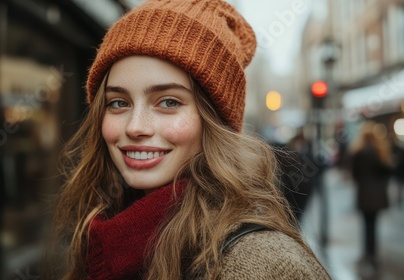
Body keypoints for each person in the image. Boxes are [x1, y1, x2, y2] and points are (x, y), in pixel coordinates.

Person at [46, 1, 331, 279]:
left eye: (168, 102)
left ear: (214, 121)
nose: (135, 127)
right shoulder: (98, 235)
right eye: (119, 103)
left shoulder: (265, 264)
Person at [349, 120, 393, 275]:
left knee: (366, 225)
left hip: (364, 194)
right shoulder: (380, 151)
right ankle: (373, 253)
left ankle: (367, 253)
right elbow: (388, 171)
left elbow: (354, 174)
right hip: (378, 195)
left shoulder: (358, 152)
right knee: (374, 224)